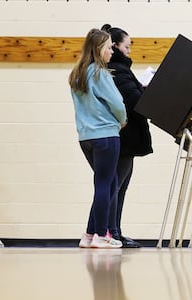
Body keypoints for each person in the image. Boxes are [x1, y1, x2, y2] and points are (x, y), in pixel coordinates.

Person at [69, 28, 126, 249]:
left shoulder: (76, 74)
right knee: (105, 185)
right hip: (106, 135)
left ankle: (89, 233)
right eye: (109, 47)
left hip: (86, 137)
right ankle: (102, 235)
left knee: (108, 184)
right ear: (99, 48)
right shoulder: (100, 73)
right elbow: (118, 104)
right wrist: (122, 120)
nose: (112, 51)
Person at [102, 24, 154, 248]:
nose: (129, 51)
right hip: (124, 138)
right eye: (127, 46)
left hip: (126, 138)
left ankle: (116, 231)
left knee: (119, 188)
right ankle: (112, 232)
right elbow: (133, 101)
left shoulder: (120, 69)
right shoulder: (117, 70)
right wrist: (146, 90)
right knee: (115, 188)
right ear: (115, 46)